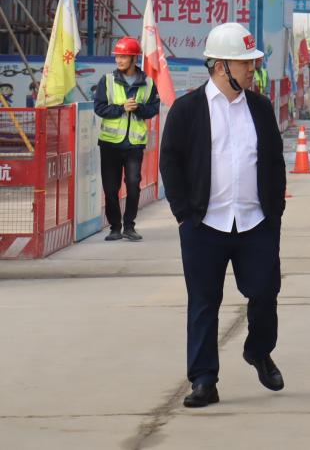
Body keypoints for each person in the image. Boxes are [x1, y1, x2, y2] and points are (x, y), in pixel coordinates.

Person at [158, 22, 286, 408]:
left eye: (252, 62)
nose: (252, 69)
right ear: (219, 66)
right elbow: (170, 161)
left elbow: (274, 162)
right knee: (203, 302)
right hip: (204, 224)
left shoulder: (260, 108)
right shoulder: (188, 110)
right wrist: (184, 214)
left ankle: (258, 351)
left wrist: (274, 213)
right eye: (244, 62)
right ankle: (203, 380)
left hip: (255, 222)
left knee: (264, 293)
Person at [94, 37, 161, 241]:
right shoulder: (107, 80)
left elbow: (153, 109)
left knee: (133, 184)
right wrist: (121, 108)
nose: (119, 60)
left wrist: (138, 108)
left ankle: (129, 226)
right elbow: (100, 108)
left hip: (134, 145)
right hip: (110, 144)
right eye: (118, 56)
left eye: (123, 57)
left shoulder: (148, 83)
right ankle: (115, 227)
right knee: (110, 188)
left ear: (134, 59)